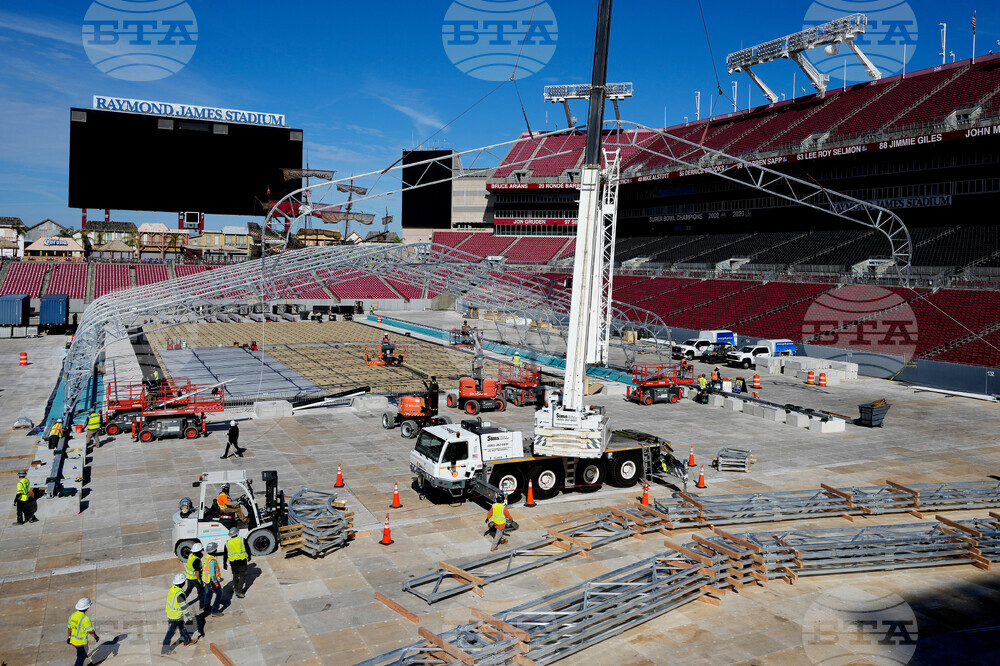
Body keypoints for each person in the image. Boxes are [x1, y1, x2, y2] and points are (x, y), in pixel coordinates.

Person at [162, 573, 195, 655]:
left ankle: (187, 641)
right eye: (184, 581)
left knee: (182, 627)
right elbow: (183, 607)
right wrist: (189, 618)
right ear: (182, 583)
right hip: (175, 616)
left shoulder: (173, 588)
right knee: (170, 632)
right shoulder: (180, 594)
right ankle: (165, 649)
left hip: (171, 613)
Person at [68, 597, 99, 666]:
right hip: (81, 642)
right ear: (87, 608)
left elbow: (69, 627)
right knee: (80, 658)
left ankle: (83, 654)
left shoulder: (72, 615)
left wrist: (69, 637)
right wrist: (96, 637)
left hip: (73, 640)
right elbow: (90, 631)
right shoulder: (85, 619)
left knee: (84, 650)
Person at [223, 527, 250, 598]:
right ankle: (239, 591)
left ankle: (235, 588)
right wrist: (249, 555)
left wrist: (224, 563)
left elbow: (225, 554)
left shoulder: (227, 543)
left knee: (235, 575)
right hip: (242, 561)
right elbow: (247, 548)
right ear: (237, 533)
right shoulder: (242, 540)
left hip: (233, 562)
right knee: (242, 575)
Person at [201, 543, 224, 618]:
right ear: (214, 550)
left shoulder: (207, 557)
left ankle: (206, 610)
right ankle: (214, 610)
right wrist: (216, 583)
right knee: (219, 594)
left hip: (207, 580)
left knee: (208, 594)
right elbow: (212, 573)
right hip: (212, 581)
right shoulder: (212, 561)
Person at [183, 542, 204, 612]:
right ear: (197, 552)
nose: (201, 552)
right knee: (201, 592)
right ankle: (202, 606)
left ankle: (181, 601)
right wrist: (199, 580)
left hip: (189, 578)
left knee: (188, 590)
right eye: (200, 551)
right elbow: (197, 572)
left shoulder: (191, 555)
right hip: (195, 579)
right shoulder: (196, 560)